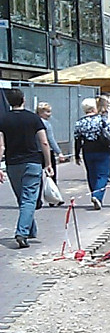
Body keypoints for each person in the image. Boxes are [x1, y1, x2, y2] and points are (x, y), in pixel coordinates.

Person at [0, 89, 54, 248]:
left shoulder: (3, 119)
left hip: (12, 164)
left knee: (22, 199)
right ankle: (22, 233)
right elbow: (44, 142)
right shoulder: (33, 118)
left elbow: (1, 146)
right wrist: (48, 163)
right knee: (29, 199)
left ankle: (31, 230)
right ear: (23, 99)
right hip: (32, 162)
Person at [74, 98, 110, 210]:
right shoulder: (101, 119)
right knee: (103, 175)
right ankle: (97, 196)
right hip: (103, 149)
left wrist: (77, 155)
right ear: (94, 107)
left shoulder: (79, 122)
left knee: (91, 174)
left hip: (87, 150)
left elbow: (77, 139)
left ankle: (94, 192)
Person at [36, 102, 66, 185]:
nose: (49, 114)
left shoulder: (33, 122)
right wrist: (59, 152)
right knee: (51, 175)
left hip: (35, 152)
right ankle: (52, 191)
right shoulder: (46, 123)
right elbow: (50, 139)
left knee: (37, 177)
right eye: (47, 112)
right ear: (41, 112)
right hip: (47, 152)